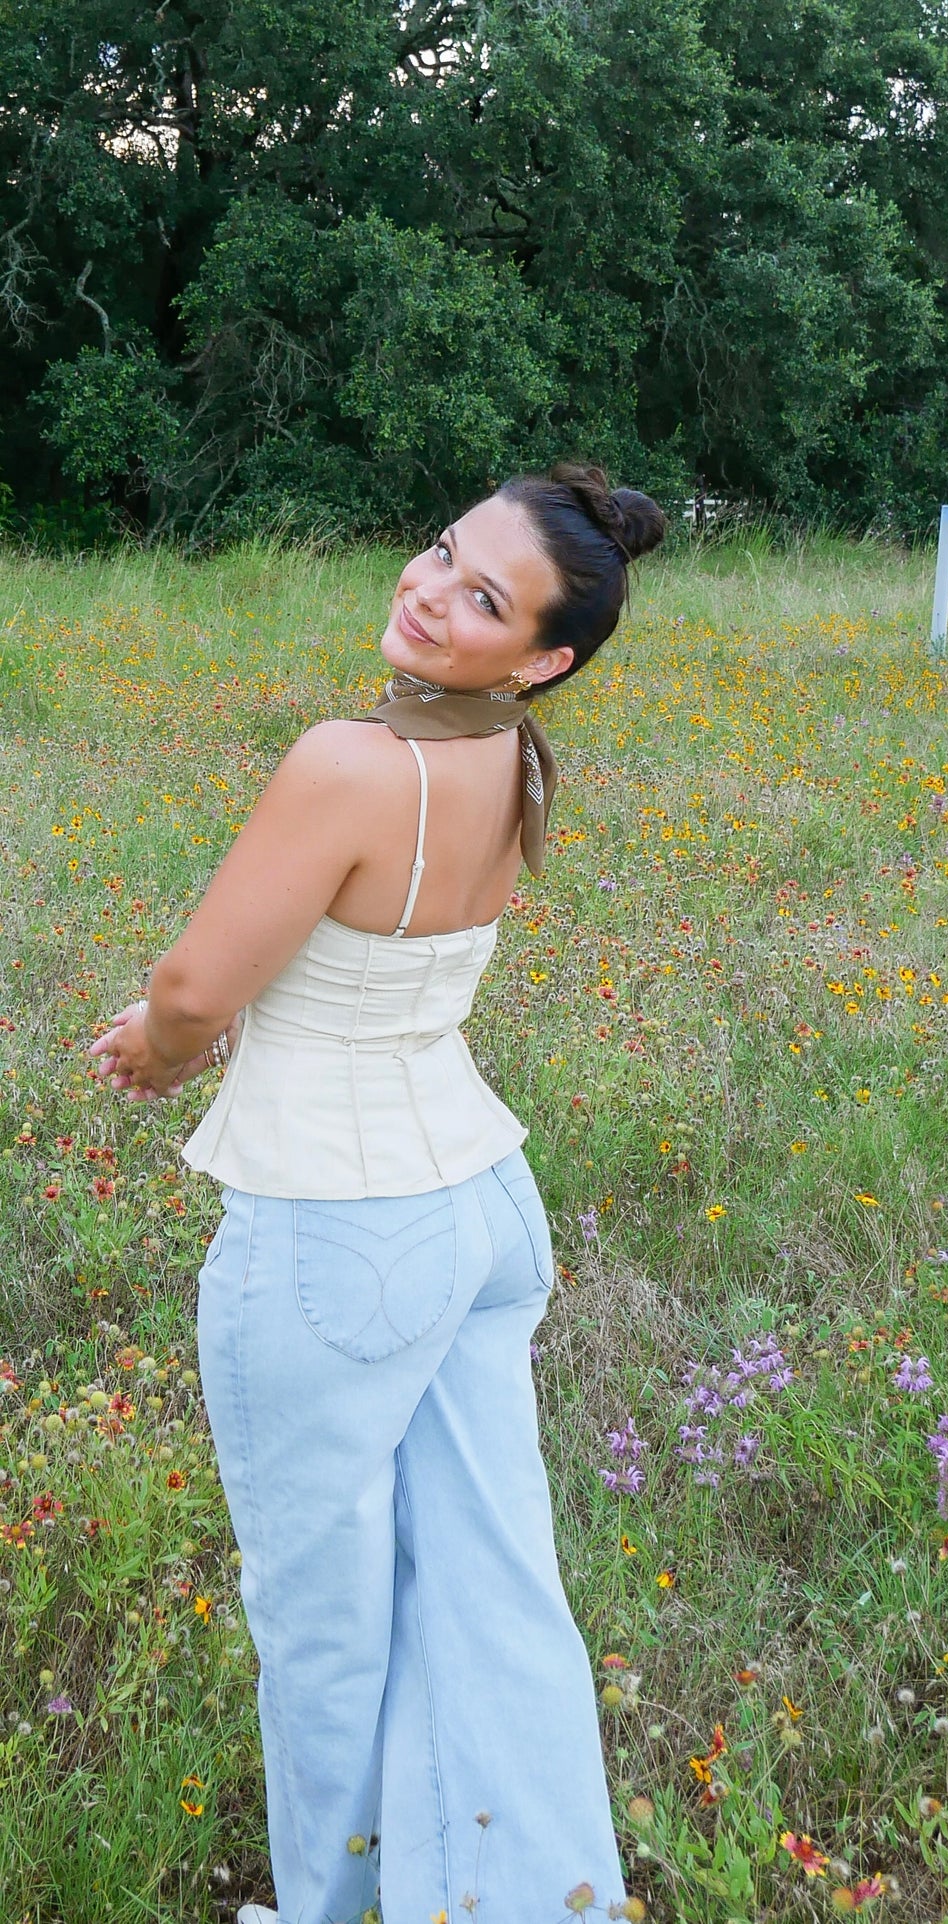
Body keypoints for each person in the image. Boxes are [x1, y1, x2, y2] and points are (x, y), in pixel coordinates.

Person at [87, 465, 665, 1924]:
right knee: (491, 1588)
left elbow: (196, 986)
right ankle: (528, 1897)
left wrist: (154, 1052)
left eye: (482, 598)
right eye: (440, 554)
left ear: (541, 657)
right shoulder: (507, 755)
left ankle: (333, 1911)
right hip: (475, 1203)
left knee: (325, 1624)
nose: (429, 591)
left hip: (343, 1234)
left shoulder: (351, 760)